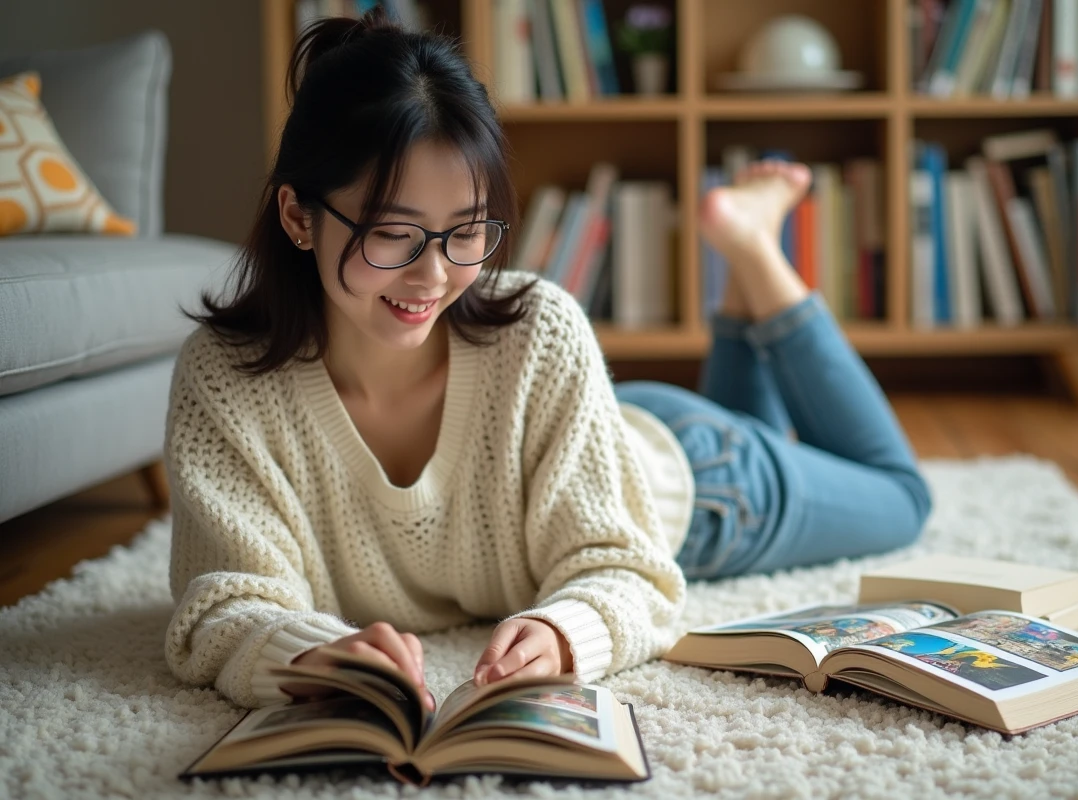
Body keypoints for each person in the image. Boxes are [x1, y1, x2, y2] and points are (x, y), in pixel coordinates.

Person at [163, 11, 930, 711]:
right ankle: (740, 261)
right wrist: (307, 655)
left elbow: (627, 568)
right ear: (299, 216)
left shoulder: (540, 330)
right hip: (599, 429)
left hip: (698, 485)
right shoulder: (225, 380)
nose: (433, 277)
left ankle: (754, 250)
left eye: (467, 231)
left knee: (901, 498)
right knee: (766, 424)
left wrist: (570, 632)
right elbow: (223, 604)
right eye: (393, 234)